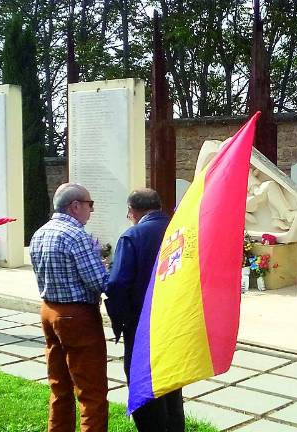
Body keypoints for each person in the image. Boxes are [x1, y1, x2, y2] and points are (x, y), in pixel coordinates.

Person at [29, 183, 109, 432]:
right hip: (77, 316)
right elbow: (99, 281)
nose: (91, 210)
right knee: (91, 391)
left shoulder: (40, 232)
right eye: (89, 204)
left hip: (49, 311)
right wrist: (110, 270)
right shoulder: (76, 235)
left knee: (59, 386)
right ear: (75, 206)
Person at [106, 188, 185, 432]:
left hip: (143, 326)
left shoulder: (133, 236)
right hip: (174, 322)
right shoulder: (180, 231)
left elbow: (118, 284)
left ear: (132, 211)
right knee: (172, 387)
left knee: (144, 386)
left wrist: (120, 322)